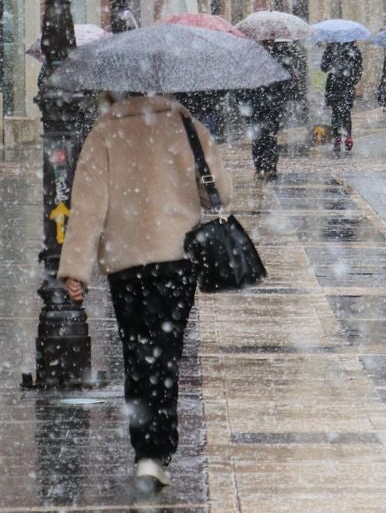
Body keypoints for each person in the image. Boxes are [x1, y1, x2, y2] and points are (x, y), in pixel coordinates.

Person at [58, 93, 234, 491]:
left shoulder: (104, 130)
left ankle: (145, 453)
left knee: (137, 354)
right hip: (176, 259)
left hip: (126, 262)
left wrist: (75, 269)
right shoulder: (185, 124)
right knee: (165, 354)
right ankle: (160, 451)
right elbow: (221, 190)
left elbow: (88, 206)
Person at [244, 40, 296, 179]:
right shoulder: (252, 57)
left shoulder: (280, 55)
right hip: (257, 105)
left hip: (271, 105)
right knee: (260, 137)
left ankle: (269, 166)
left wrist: (279, 99)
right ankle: (261, 165)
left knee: (269, 136)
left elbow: (287, 82)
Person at [321, 41, 363, 152]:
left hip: (338, 84)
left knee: (339, 112)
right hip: (340, 84)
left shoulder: (333, 48)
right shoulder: (353, 50)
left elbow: (324, 67)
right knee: (342, 112)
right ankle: (343, 137)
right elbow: (324, 67)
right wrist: (352, 80)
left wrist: (352, 79)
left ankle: (340, 137)